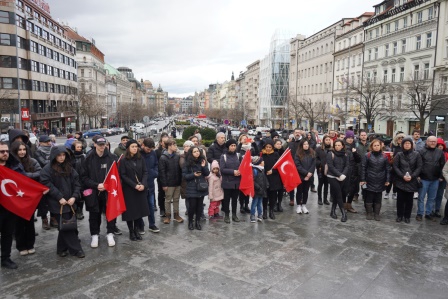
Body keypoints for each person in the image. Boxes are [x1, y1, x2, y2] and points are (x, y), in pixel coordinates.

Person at [40, 145, 84, 258]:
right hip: (57, 203)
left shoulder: (69, 167)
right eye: (59, 155)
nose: (61, 157)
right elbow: (47, 184)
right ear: (54, 156)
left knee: (65, 225)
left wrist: (74, 196)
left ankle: (61, 249)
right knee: (68, 226)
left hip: (70, 201)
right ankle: (76, 249)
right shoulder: (47, 169)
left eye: (64, 155)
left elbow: (77, 183)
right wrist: (59, 197)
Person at [81, 137, 120, 247]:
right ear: (95, 145)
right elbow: (83, 177)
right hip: (93, 191)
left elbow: (117, 176)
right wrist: (96, 185)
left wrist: (107, 185)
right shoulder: (88, 158)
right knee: (94, 214)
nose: (102, 146)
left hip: (108, 191)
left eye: (104, 144)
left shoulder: (112, 158)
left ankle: (110, 233)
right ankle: (94, 234)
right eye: (100, 144)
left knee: (110, 213)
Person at [10, 141, 41, 256]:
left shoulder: (32, 161)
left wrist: (24, 176)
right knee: (18, 223)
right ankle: (21, 246)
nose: (22, 152)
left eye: (24, 149)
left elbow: (39, 173)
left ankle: (30, 244)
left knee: (29, 221)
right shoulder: (10, 163)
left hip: (28, 197)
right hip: (15, 197)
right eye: (19, 150)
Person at [118, 139, 150, 241]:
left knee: (138, 211)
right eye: (133, 147)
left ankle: (136, 230)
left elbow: (145, 172)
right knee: (130, 212)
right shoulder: (124, 160)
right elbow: (123, 175)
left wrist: (143, 184)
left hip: (141, 189)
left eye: (136, 147)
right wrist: (134, 185)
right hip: (129, 190)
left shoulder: (141, 159)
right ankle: (131, 231)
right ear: (128, 148)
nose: (135, 148)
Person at [0, 142, 24, 269]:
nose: (5, 154)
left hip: (10, 207)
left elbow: (24, 182)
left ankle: (5, 258)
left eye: (7, 151)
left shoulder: (15, 166)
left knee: (7, 234)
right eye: (2, 152)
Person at [393, 138, 422, 223]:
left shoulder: (417, 154)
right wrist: (402, 176)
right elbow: (395, 166)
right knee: (400, 200)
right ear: (402, 145)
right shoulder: (399, 154)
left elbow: (419, 167)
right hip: (400, 180)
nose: (407, 145)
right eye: (405, 143)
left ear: (412, 145)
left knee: (409, 200)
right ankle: (399, 216)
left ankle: (407, 216)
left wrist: (412, 176)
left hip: (411, 181)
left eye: (409, 143)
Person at [416, 136, 445, 221]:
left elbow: (442, 165)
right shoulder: (421, 151)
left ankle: (428, 213)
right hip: (423, 178)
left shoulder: (440, 152)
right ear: (427, 142)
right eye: (431, 141)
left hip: (435, 179)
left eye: (434, 142)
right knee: (421, 197)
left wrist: (441, 176)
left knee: (432, 198)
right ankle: (420, 213)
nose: (433, 143)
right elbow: (418, 165)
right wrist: (418, 175)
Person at [360, 139, 391, 221]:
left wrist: (387, 180)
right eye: (375, 145)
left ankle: (377, 214)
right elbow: (363, 168)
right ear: (371, 147)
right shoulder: (367, 155)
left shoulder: (384, 156)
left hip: (381, 180)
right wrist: (363, 179)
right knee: (369, 197)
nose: (376, 147)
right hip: (369, 179)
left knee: (378, 198)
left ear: (381, 146)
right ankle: (369, 213)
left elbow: (388, 169)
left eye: (378, 145)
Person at [183, 146, 210, 230]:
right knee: (192, 206)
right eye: (194, 152)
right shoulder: (187, 163)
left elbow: (207, 173)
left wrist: (203, 166)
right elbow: (184, 176)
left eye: (198, 151)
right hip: (192, 187)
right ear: (191, 153)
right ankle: (190, 222)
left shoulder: (202, 161)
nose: (197, 153)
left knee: (200, 206)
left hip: (201, 186)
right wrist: (193, 175)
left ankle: (197, 222)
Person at [35, 135, 57, 230]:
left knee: (53, 198)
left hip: (54, 176)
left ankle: (53, 218)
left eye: (49, 141)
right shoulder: (38, 151)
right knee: (43, 201)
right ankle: (44, 219)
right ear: (40, 143)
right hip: (42, 178)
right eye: (46, 141)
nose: (49, 143)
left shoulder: (53, 149)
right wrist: (52, 161)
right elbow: (43, 162)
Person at [159, 139, 183, 224]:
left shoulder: (177, 156)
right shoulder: (163, 157)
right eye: (174, 145)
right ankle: (167, 216)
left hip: (177, 182)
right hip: (169, 183)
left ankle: (176, 215)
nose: (176, 147)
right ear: (169, 146)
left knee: (176, 199)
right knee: (168, 200)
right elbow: (162, 172)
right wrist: (164, 184)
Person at [139, 138, 160, 233]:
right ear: (143, 145)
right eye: (148, 149)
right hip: (140, 184)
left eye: (151, 149)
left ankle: (152, 224)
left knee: (151, 205)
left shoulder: (153, 153)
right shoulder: (138, 154)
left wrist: (155, 173)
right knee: (140, 206)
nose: (149, 151)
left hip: (151, 184)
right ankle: (140, 225)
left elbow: (156, 164)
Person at [219, 139, 242, 223]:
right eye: (231, 146)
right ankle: (227, 215)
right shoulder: (223, 156)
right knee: (226, 200)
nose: (233, 147)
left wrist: (239, 172)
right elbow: (222, 169)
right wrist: (233, 172)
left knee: (235, 200)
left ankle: (234, 215)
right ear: (228, 147)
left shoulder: (238, 155)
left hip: (236, 182)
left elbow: (242, 166)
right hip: (227, 182)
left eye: (234, 145)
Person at [327, 139, 349, 222]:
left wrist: (343, 174)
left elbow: (347, 166)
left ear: (342, 146)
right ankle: (344, 213)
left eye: (339, 145)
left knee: (337, 194)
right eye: (336, 145)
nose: (337, 147)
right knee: (339, 194)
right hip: (332, 176)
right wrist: (339, 175)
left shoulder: (346, 154)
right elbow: (330, 166)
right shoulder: (330, 154)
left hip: (342, 177)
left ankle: (332, 211)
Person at [294, 139, 316, 215]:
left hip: (309, 176)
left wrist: (309, 174)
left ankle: (304, 205)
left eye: (307, 144)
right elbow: (298, 165)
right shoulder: (298, 154)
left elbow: (313, 164)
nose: (306, 145)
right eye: (304, 144)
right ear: (301, 145)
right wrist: (306, 173)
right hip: (300, 176)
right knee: (299, 191)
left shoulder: (312, 153)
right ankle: (298, 205)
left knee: (306, 191)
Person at [262, 139, 283, 218]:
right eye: (266, 147)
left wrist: (273, 171)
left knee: (272, 196)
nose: (268, 148)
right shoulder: (262, 155)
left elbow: (279, 166)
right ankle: (264, 211)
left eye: (270, 147)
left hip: (274, 179)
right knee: (265, 196)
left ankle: (271, 211)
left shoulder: (276, 154)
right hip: (264, 178)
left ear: (272, 148)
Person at [344, 130, 362, 213]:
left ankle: (349, 204)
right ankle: (344, 205)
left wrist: (355, 153)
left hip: (354, 171)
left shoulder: (356, 146)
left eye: (351, 138)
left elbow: (359, 160)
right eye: (349, 138)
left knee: (352, 189)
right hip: (345, 170)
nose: (350, 139)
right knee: (344, 189)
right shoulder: (343, 146)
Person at [384, 133, 405, 200]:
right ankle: (387, 192)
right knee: (389, 179)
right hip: (391, 165)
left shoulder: (404, 147)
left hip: (400, 166)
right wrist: (391, 156)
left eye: (402, 139)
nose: (400, 140)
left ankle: (394, 193)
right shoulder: (392, 145)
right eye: (399, 138)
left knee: (396, 181)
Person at [433, 138, 448, 218]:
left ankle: (437, 209)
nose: (440, 147)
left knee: (439, 194)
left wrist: (442, 177)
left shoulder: (446, 154)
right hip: (434, 177)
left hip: (443, 178)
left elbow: (445, 168)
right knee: (432, 195)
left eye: (441, 145)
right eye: (438, 145)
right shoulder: (433, 153)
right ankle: (431, 209)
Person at [251, 156, 268, 223]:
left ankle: (260, 214)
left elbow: (264, 179)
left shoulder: (262, 169)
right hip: (257, 190)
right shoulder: (255, 170)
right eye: (262, 161)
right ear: (259, 163)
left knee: (260, 203)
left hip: (262, 190)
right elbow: (252, 180)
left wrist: (266, 184)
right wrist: (257, 187)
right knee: (255, 202)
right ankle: (252, 215)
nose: (263, 162)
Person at [71, 141, 86, 220]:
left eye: (80, 147)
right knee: (75, 195)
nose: (79, 148)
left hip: (82, 179)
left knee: (82, 196)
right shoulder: (71, 157)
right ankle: (75, 210)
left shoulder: (84, 156)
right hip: (74, 179)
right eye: (78, 147)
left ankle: (80, 210)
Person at [316, 135, 332, 205]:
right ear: (323, 141)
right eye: (326, 140)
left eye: (329, 140)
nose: (328, 141)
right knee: (320, 184)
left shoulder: (332, 149)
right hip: (321, 169)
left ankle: (325, 199)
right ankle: (319, 198)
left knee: (326, 184)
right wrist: (320, 164)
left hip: (329, 170)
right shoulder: (319, 149)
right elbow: (316, 158)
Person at [155, 133, 169, 216]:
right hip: (160, 176)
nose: (165, 143)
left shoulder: (171, 150)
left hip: (170, 176)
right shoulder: (157, 152)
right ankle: (162, 209)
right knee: (161, 193)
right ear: (161, 142)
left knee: (169, 194)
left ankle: (168, 209)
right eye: (164, 142)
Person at [180, 140, 194, 215]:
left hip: (194, 179)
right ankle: (189, 211)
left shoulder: (195, 154)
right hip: (185, 180)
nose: (186, 148)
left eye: (188, 146)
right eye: (185, 146)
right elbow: (182, 165)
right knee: (187, 197)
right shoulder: (182, 156)